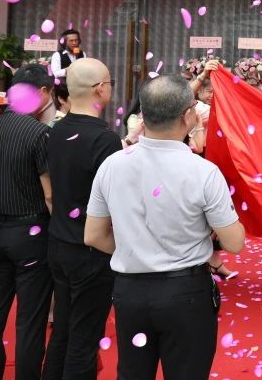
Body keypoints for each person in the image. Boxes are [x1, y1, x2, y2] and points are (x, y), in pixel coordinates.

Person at [85, 75, 246, 379]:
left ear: (142, 115)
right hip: (186, 291)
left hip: (130, 291)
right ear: (188, 116)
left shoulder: (112, 164)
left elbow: (93, 235)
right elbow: (234, 242)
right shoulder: (204, 171)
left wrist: (136, 250)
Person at [0, 64, 55, 380]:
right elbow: (50, 194)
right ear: (42, 93)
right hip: (31, 232)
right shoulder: (40, 133)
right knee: (30, 321)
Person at [44, 58, 120, 380]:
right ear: (100, 89)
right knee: (84, 340)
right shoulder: (105, 139)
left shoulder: (56, 130)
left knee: (62, 331)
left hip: (59, 242)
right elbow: (114, 202)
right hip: (91, 249)